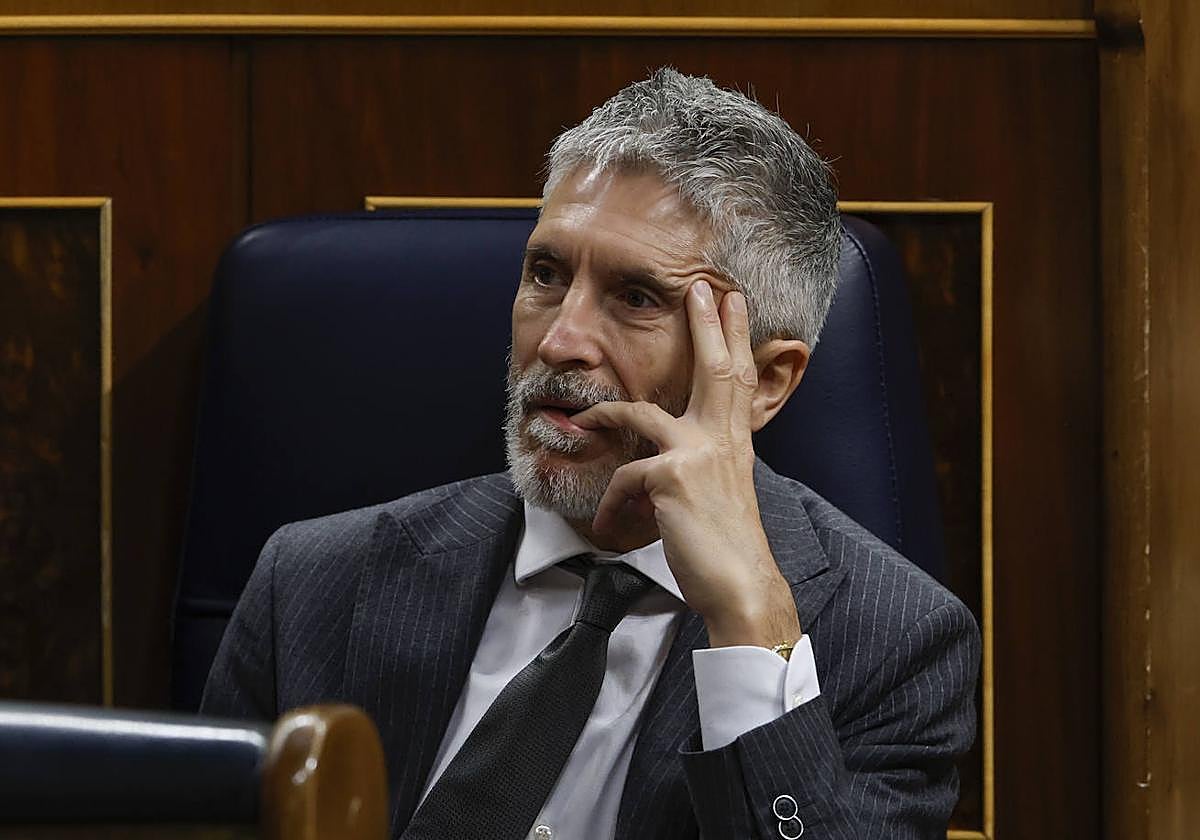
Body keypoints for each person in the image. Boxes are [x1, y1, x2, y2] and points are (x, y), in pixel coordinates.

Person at [202, 67, 980, 840]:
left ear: (765, 380)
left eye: (636, 298)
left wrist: (750, 627)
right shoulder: (312, 586)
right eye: (546, 274)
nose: (559, 341)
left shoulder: (893, 645)